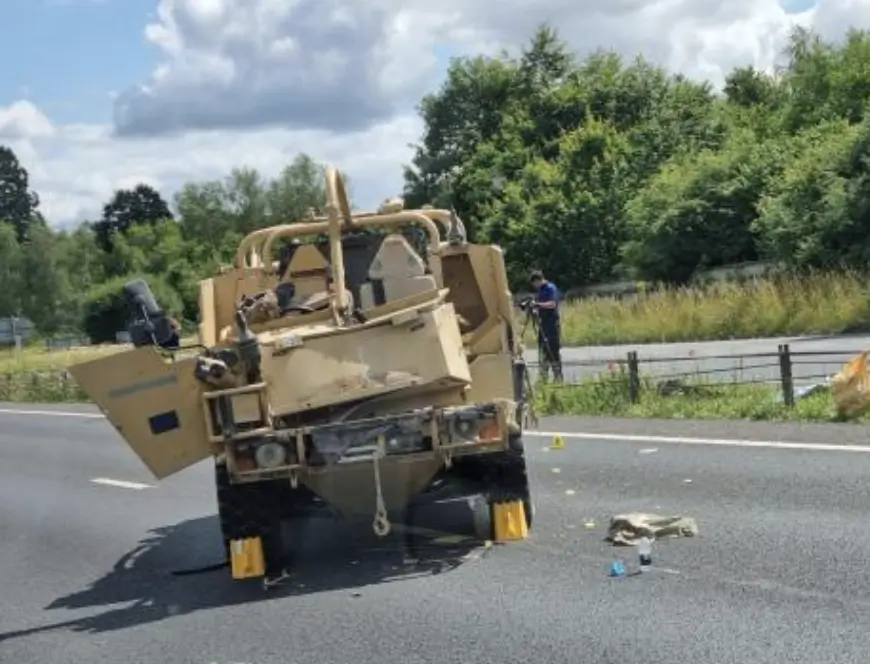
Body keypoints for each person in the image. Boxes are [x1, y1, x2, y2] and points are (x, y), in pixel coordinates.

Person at [529, 270, 563, 382]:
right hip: (543, 325)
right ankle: (544, 379)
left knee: (553, 353)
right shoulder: (540, 291)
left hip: (552, 325)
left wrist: (538, 305)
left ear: (539, 280)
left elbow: (552, 304)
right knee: (543, 353)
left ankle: (558, 378)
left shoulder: (550, 288)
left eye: (535, 284)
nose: (535, 286)